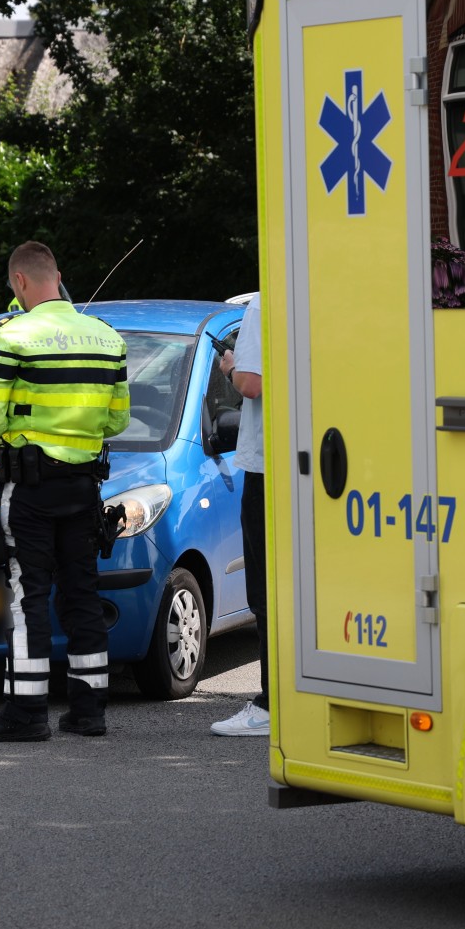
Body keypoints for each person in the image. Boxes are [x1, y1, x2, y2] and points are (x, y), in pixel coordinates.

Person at [0, 241, 130, 742]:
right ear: (57, 276)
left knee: (26, 596)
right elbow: (117, 420)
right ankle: (89, 710)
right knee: (82, 592)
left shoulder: (12, 337)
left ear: (19, 282)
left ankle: (27, 713)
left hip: (31, 491)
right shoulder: (108, 338)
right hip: (84, 489)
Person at [212, 294, 269, 737]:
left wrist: (231, 366)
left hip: (267, 465)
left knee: (266, 591)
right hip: (314, 458)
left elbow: (252, 383)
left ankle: (271, 703)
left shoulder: (260, 306)